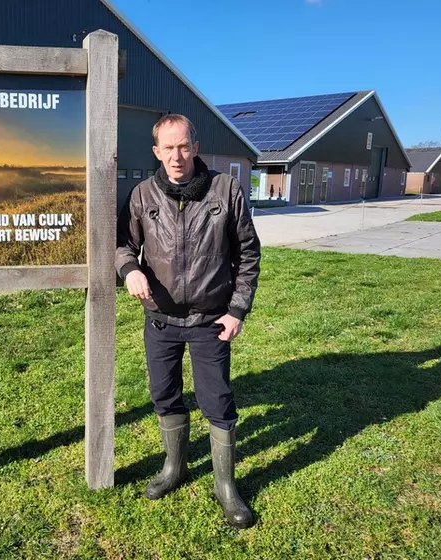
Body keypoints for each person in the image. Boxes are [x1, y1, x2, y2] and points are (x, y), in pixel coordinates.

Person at [115, 114, 261, 528]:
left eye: (183, 147)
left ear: (195, 147)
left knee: (217, 402)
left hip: (210, 320)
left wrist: (237, 310)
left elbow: (247, 255)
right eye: (168, 148)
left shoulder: (225, 190)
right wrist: (131, 271)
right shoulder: (142, 195)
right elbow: (124, 245)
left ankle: (225, 487)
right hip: (160, 319)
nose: (176, 157)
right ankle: (174, 468)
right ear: (156, 152)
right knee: (164, 396)